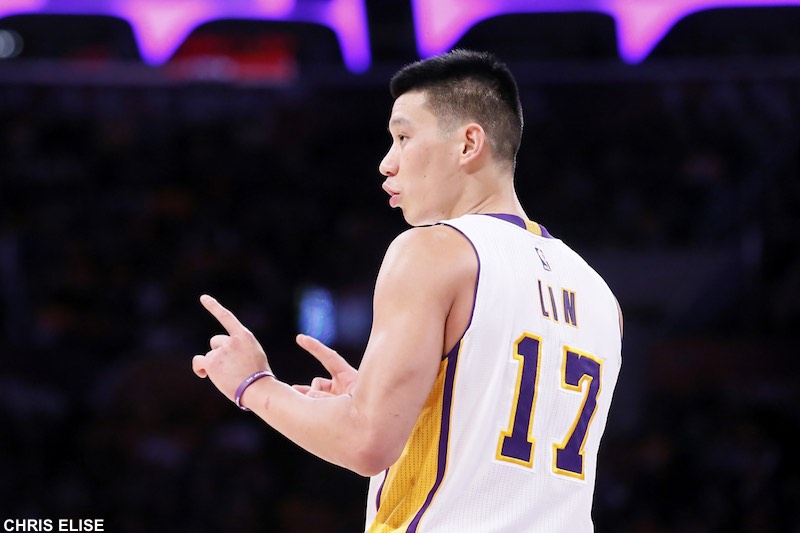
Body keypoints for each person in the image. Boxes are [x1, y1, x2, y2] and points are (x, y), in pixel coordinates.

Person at [192, 49, 623, 532]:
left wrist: (253, 385)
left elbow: (365, 443)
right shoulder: (598, 291)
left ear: (468, 144)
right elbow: (500, 445)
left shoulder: (433, 250)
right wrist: (394, 398)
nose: (386, 163)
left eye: (403, 137)